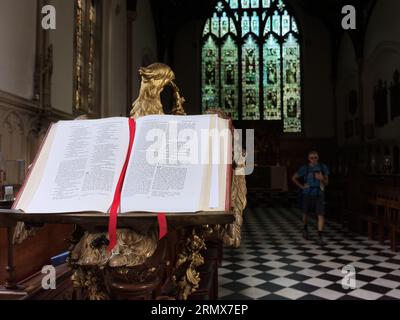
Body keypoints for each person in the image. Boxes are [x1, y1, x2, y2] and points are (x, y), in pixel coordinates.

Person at [292, 151, 330, 245]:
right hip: (307, 193)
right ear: (309, 158)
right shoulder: (305, 168)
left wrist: (322, 179)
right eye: (311, 158)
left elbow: (327, 183)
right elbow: (293, 177)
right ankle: (305, 228)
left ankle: (320, 236)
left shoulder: (323, 167)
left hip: (319, 193)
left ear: (318, 158)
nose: (313, 159)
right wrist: (302, 186)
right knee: (305, 213)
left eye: (315, 157)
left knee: (321, 214)